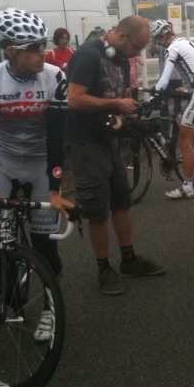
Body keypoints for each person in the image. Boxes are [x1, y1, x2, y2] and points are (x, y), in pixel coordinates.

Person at [0, 8, 75, 340]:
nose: (42, 52)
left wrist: (56, 189)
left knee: (46, 250)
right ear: (10, 51)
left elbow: (58, 138)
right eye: (33, 47)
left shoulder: (55, 76)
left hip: (43, 165)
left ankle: (49, 309)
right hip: (5, 162)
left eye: (43, 44)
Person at [65, 15, 166, 296]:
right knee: (97, 209)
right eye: (138, 46)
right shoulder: (87, 56)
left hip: (109, 139)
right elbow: (74, 99)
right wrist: (114, 103)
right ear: (122, 36)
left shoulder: (121, 57)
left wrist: (130, 111)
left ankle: (129, 260)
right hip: (86, 143)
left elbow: (120, 96)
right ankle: (103, 269)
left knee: (122, 200)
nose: (139, 53)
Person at [150, 19, 194, 199]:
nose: (158, 42)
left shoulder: (172, 48)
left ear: (162, 36)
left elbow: (164, 80)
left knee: (184, 141)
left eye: (157, 38)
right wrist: (190, 88)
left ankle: (187, 187)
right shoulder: (188, 42)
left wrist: (153, 95)